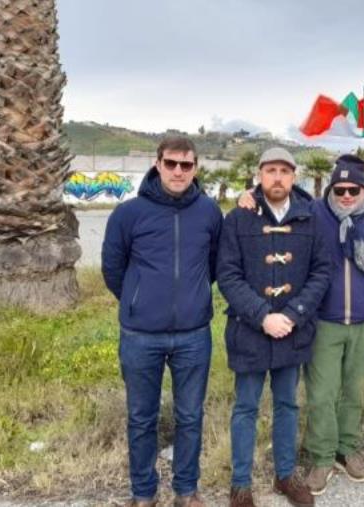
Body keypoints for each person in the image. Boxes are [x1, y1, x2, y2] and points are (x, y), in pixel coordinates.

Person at [236, 154, 364, 496]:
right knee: (322, 394)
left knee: (353, 391)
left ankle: (347, 449)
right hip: (323, 318)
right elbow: (278, 193)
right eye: (339, 188)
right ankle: (323, 456)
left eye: (352, 188)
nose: (344, 195)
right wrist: (250, 194)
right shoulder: (312, 213)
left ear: (363, 187)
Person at [102, 136, 223, 507]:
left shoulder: (209, 212)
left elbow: (215, 264)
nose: (178, 171)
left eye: (186, 165)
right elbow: (113, 268)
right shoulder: (129, 213)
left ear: (196, 168)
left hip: (193, 335)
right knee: (141, 418)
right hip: (141, 335)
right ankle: (143, 494)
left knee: (190, 416)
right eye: (171, 163)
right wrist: (140, 300)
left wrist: (192, 297)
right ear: (157, 164)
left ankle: (186, 492)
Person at [217, 147, 331, 507]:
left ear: (294, 176)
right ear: (259, 174)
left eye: (284, 170)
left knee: (287, 405)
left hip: (292, 331)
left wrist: (294, 314)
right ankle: (240, 484)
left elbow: (321, 271)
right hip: (250, 329)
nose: (277, 177)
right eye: (270, 170)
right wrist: (262, 315)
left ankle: (285, 476)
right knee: (246, 407)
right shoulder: (238, 218)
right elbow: (228, 275)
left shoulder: (310, 218)